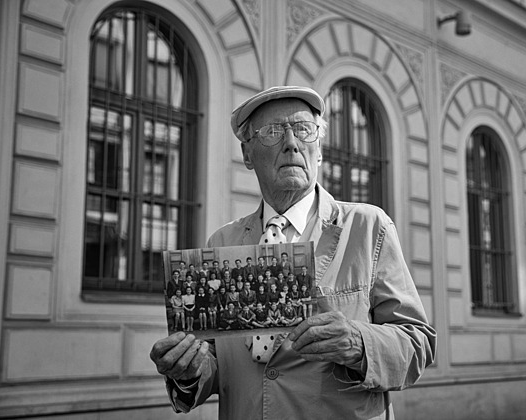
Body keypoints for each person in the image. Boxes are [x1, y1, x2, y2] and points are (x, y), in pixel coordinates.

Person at [150, 85, 436, 419]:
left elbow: (418, 344)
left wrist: (357, 342)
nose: (291, 143)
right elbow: (216, 364)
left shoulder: (369, 227)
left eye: (303, 130)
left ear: (319, 149)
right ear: (247, 153)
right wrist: (189, 370)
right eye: (272, 132)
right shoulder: (222, 243)